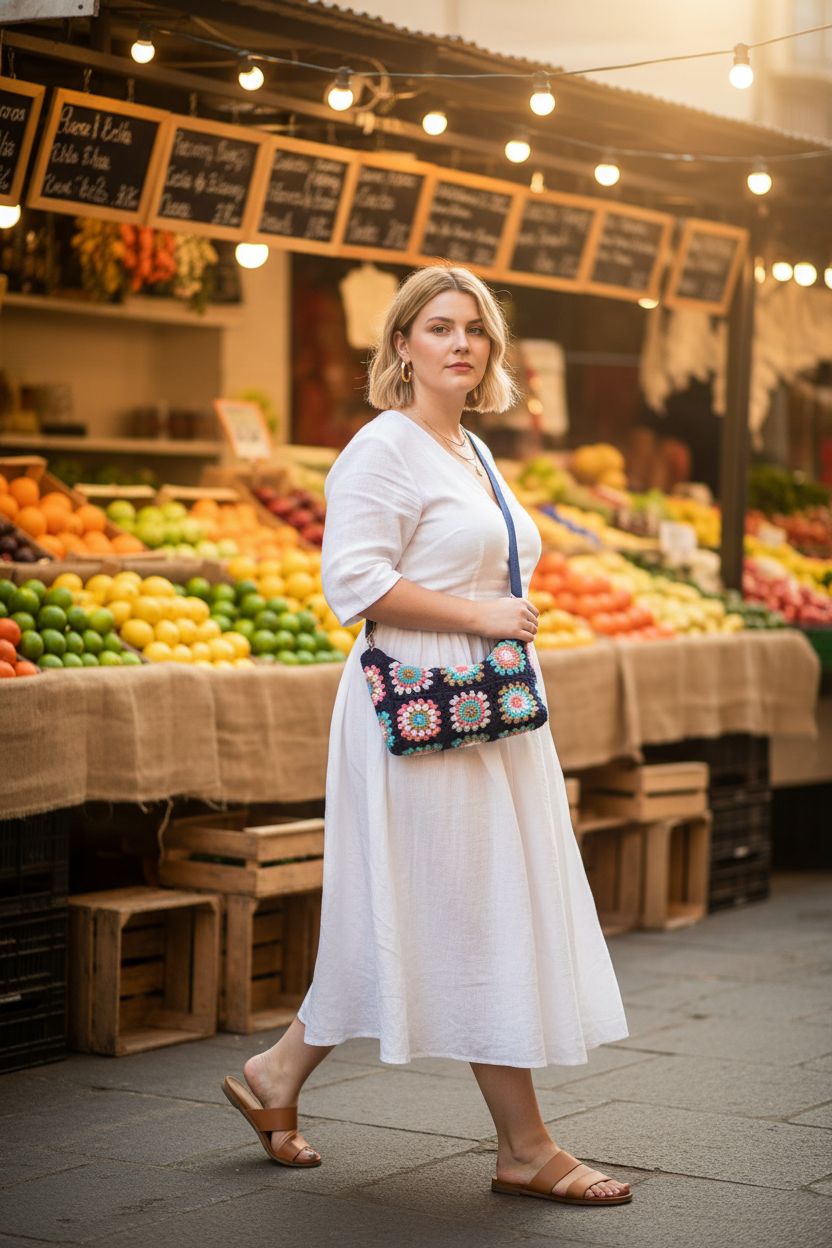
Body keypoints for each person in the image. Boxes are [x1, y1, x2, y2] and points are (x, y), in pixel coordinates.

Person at [223, 264, 632, 1207]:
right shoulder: (382, 450)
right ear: (400, 344)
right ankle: (525, 1147)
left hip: (485, 712)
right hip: (417, 710)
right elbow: (354, 584)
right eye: (440, 327)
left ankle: (276, 1077)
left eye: (476, 331)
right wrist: (482, 618)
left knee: (419, 905)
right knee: (470, 906)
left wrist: (497, 616)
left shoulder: (471, 451)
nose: (461, 343)